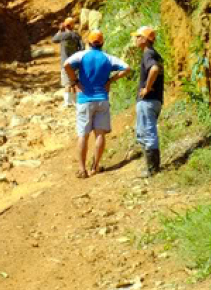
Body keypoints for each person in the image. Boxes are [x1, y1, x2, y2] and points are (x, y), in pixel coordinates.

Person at [64, 30, 130, 178]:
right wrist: (110, 80)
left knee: (83, 135)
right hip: (102, 99)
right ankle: (95, 166)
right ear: (102, 43)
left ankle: (82, 169)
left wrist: (75, 81)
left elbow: (66, 64)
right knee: (100, 134)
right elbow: (127, 68)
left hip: (84, 99)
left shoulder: (82, 55)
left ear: (88, 42)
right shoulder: (107, 58)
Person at [133, 26, 164, 176]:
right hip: (155, 100)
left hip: (148, 101)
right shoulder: (156, 54)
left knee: (148, 133)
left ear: (145, 39)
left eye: (138, 36)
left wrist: (146, 88)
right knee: (142, 133)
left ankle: (153, 170)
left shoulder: (148, 54)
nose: (136, 39)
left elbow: (154, 69)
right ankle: (151, 167)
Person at [51, 16, 84, 106]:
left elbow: (54, 39)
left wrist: (60, 30)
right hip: (75, 62)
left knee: (67, 83)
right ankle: (75, 102)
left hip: (65, 63)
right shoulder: (76, 35)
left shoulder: (63, 35)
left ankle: (67, 102)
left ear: (65, 25)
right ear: (72, 26)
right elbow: (82, 48)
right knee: (74, 82)